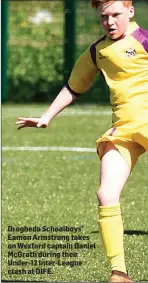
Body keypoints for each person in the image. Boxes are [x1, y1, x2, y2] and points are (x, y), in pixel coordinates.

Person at [16, 0, 148, 281]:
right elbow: (74, 86)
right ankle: (119, 273)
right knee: (106, 194)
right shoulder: (97, 52)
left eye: (116, 15)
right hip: (124, 130)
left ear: (131, 11)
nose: (110, 22)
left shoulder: (145, 40)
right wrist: (47, 116)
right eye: (104, 17)